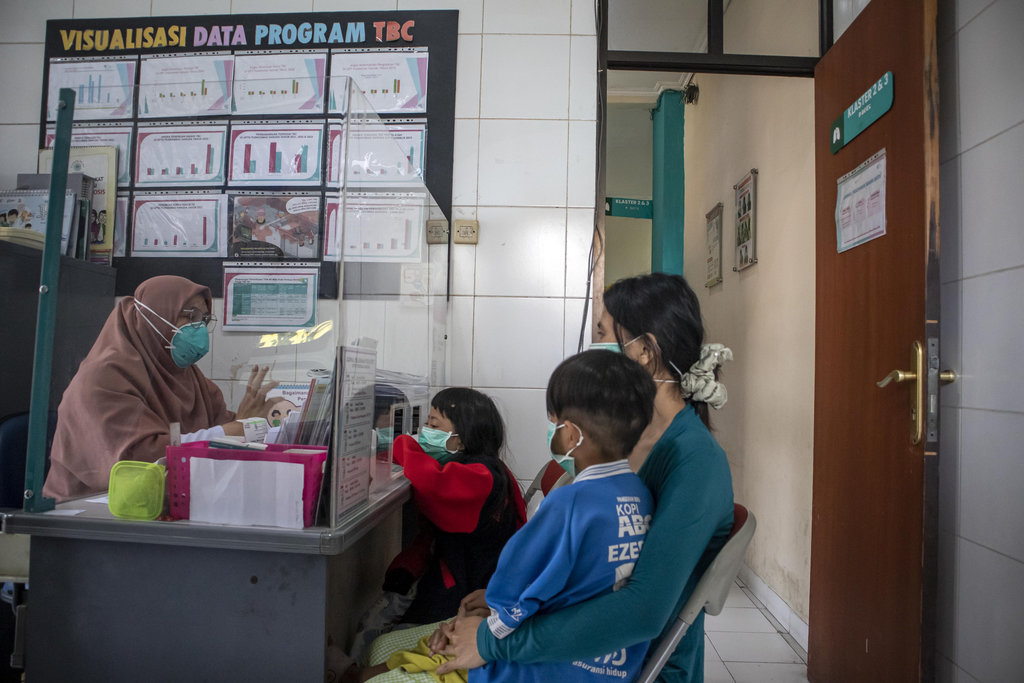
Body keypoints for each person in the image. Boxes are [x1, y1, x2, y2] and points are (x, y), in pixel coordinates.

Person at [439, 272, 735, 683]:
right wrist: (505, 605)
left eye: (603, 334)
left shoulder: (695, 462)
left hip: (631, 664)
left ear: (644, 351)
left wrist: (493, 642)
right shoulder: (617, 443)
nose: (595, 347)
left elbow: (643, 611)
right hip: (575, 648)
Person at [360, 349, 657, 683]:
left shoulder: (571, 503)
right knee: (402, 650)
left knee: (393, 667)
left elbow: (518, 583)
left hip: (545, 666)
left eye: (553, 422)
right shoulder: (638, 493)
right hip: (608, 661)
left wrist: (486, 624)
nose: (551, 431)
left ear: (572, 435)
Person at [43, 275, 279, 502]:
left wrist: (247, 423)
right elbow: (138, 459)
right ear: (152, 318)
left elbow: (224, 440)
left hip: (161, 505)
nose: (198, 328)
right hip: (89, 510)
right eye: (190, 316)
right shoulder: (102, 380)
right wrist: (235, 432)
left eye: (204, 320)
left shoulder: (190, 379)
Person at [382, 388, 527, 627]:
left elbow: (434, 482)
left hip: (471, 596)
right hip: (462, 577)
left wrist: (402, 442)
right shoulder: (488, 467)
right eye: (426, 424)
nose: (424, 432)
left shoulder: (480, 476)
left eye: (434, 426)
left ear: (461, 438)